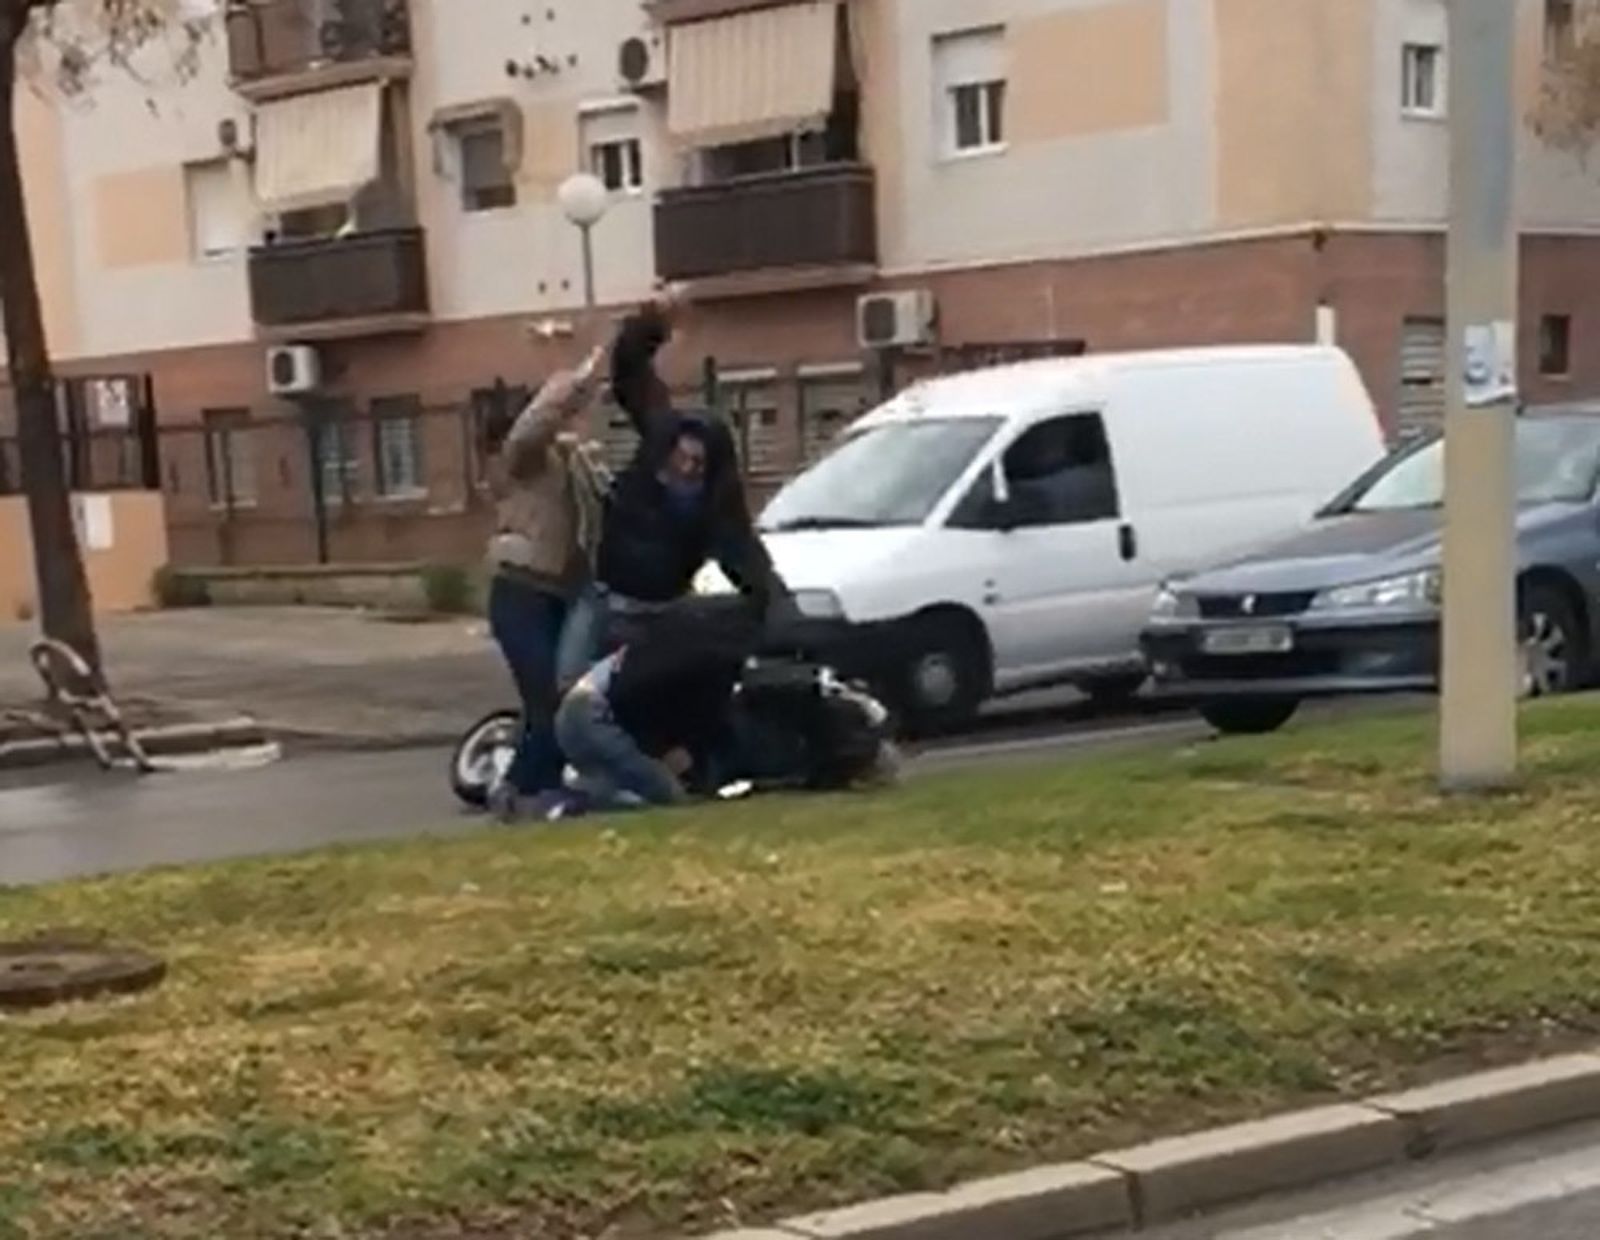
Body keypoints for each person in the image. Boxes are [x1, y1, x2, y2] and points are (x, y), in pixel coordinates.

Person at [577, 293, 785, 655]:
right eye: (682, 458)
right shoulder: (658, 440)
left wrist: (777, 610)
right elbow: (631, 378)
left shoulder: (713, 506)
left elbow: (744, 557)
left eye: (698, 464)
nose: (687, 468)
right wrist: (651, 327)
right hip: (610, 604)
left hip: (663, 615)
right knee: (575, 697)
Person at [482, 345, 609, 822]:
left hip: (560, 595)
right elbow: (533, 427)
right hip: (520, 592)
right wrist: (576, 381)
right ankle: (522, 788)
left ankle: (530, 788)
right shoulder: (522, 461)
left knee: (560, 699)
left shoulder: (568, 460)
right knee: (546, 700)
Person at [553, 598, 760, 815]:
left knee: (629, 786)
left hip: (583, 710)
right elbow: (629, 697)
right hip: (593, 712)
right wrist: (662, 750)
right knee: (668, 796)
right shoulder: (695, 663)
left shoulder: (679, 646)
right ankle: (582, 798)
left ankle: (583, 797)